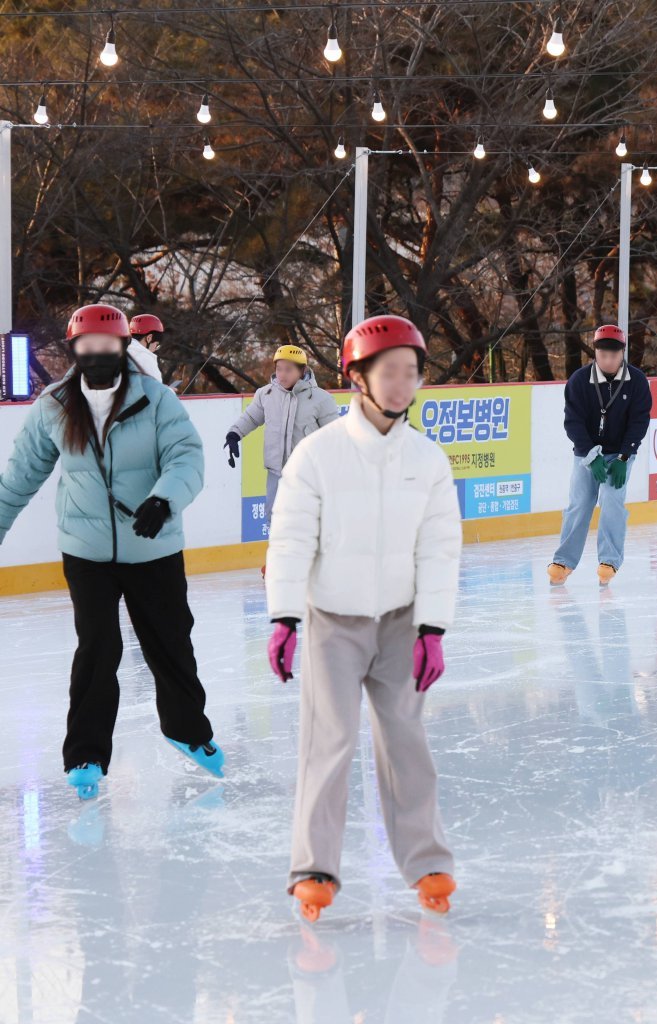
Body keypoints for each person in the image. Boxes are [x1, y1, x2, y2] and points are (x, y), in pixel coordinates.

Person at [265, 313, 462, 923]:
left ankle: (427, 861)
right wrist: (284, 617)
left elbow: (439, 548)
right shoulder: (317, 455)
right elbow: (291, 541)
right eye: (390, 372)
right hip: (333, 621)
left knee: (407, 741)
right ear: (358, 378)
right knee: (329, 741)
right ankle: (313, 866)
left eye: (412, 373)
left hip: (402, 621)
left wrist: (432, 627)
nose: (402, 384)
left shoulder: (428, 459)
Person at [0, 303, 221, 800]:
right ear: (74, 350)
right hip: (87, 552)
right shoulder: (55, 405)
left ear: (123, 347)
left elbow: (186, 456)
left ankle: (187, 730)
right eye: (87, 346)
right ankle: (86, 753)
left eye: (107, 346)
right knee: (97, 650)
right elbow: (18, 478)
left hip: (153, 545)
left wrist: (164, 499)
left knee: (171, 643)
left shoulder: (157, 399)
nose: (97, 354)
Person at [548, 325, 651, 587]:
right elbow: (573, 423)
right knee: (580, 503)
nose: (608, 360)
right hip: (586, 452)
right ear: (595, 353)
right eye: (603, 355)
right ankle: (563, 561)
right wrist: (591, 455)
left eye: (614, 355)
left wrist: (624, 457)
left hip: (620, 454)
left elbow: (639, 422)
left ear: (622, 353)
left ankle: (609, 560)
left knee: (612, 499)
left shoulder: (637, 381)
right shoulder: (579, 381)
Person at [225, 344, 342, 519]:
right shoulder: (266, 394)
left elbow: (334, 436)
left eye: (288, 370)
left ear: (302, 371)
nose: (282, 374)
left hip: (307, 473)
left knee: (305, 519)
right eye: (279, 369)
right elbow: (251, 418)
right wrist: (234, 435)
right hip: (276, 472)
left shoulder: (321, 399)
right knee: (275, 517)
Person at [128, 313, 165, 381]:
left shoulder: (118, 349)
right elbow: (155, 386)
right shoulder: (146, 359)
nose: (155, 350)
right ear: (149, 338)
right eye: (157, 345)